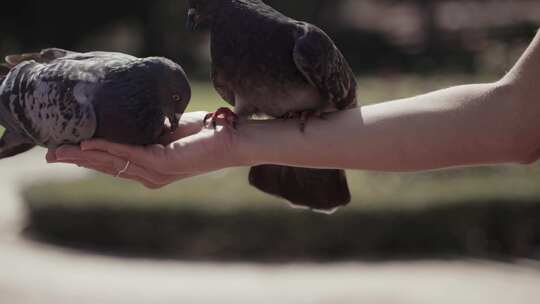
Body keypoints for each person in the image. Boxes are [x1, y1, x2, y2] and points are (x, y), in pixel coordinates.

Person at [47, 29, 540, 190]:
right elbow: (512, 120)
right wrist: (237, 142)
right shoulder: (228, 58)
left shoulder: (303, 41)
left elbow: (513, 123)